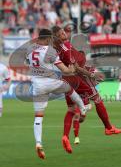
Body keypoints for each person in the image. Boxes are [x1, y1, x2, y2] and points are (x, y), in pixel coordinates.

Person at [52, 26, 121, 153]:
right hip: (75, 78)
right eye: (62, 33)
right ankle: (108, 127)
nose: (65, 33)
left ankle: (65, 136)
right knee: (97, 98)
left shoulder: (57, 48)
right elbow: (76, 68)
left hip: (65, 80)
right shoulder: (66, 48)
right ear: (57, 36)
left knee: (71, 109)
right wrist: (91, 74)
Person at [26, 29, 88, 159]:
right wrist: (72, 69)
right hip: (50, 82)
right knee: (69, 89)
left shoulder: (30, 50)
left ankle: (38, 143)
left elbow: (30, 62)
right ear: (48, 38)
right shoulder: (50, 51)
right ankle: (82, 108)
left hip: (37, 86)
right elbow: (65, 71)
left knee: (38, 117)